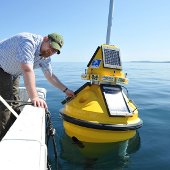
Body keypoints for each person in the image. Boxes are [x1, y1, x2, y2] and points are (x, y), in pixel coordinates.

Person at [0, 32, 74, 139]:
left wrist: (66, 90)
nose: (50, 51)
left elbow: (50, 76)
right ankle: (3, 137)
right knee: (6, 102)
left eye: (54, 51)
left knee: (15, 100)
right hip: (1, 66)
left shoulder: (45, 57)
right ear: (45, 39)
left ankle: (15, 126)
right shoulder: (28, 42)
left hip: (14, 72)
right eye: (51, 47)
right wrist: (34, 97)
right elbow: (27, 69)